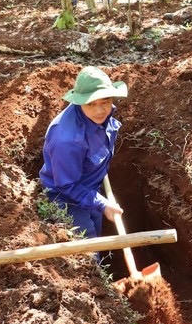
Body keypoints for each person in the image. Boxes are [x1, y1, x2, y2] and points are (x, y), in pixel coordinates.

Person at [40, 66, 127, 240]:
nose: (100, 110)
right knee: (88, 246)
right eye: (91, 104)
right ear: (80, 102)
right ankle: (94, 265)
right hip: (66, 198)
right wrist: (103, 204)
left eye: (105, 102)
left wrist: (99, 203)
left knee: (97, 232)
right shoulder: (67, 139)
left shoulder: (101, 117)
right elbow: (66, 185)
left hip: (90, 187)